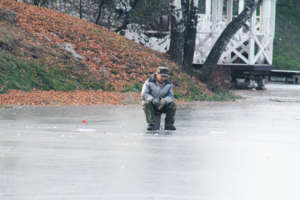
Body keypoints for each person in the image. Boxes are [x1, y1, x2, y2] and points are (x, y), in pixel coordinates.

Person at [141, 66, 176, 131]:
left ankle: (169, 125)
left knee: (172, 105)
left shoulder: (168, 84)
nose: (163, 78)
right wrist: (153, 99)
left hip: (163, 105)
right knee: (146, 103)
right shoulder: (148, 82)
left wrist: (165, 100)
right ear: (157, 75)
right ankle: (151, 124)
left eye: (165, 77)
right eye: (162, 76)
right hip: (152, 105)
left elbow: (171, 95)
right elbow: (144, 94)